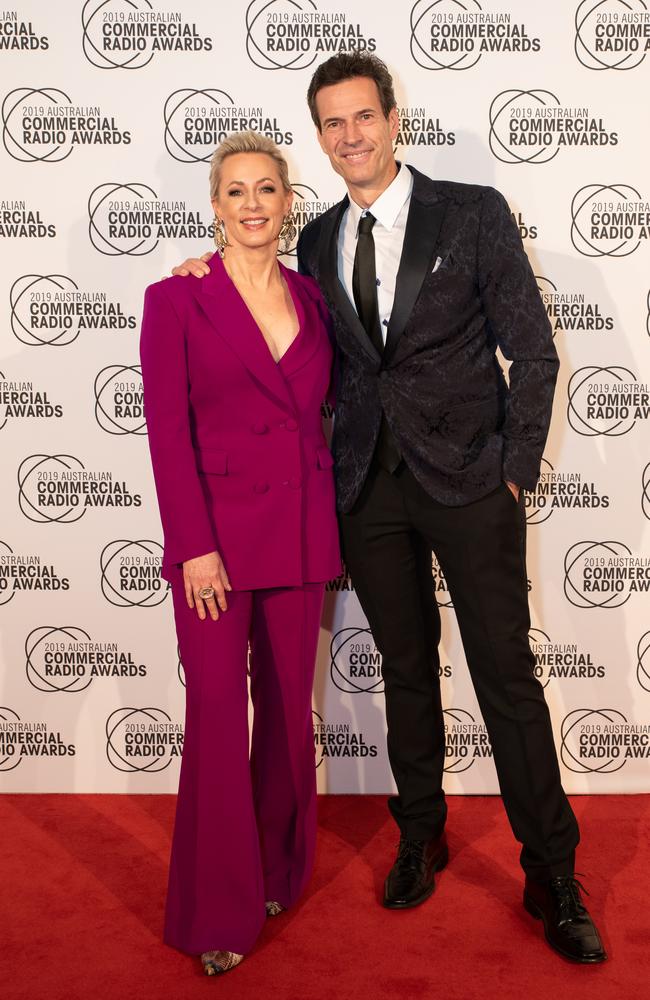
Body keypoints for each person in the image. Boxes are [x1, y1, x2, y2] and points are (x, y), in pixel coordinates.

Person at [170, 55, 606, 964]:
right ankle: (420, 835)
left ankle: (552, 873)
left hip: (473, 485)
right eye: (332, 124)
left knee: (506, 679)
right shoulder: (317, 241)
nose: (351, 136)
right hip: (366, 491)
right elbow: (261, 320)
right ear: (320, 137)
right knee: (405, 672)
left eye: (363, 117)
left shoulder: (473, 212)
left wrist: (516, 468)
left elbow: (533, 350)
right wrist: (198, 272)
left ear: (394, 118)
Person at [140, 130, 341, 976]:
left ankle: (275, 870)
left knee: (290, 715)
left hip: (300, 539)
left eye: (267, 189)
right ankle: (214, 911)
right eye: (236, 191)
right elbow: (167, 434)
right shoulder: (175, 297)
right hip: (213, 549)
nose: (253, 204)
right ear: (214, 206)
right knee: (220, 719)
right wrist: (193, 548)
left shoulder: (316, 297)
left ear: (287, 201)